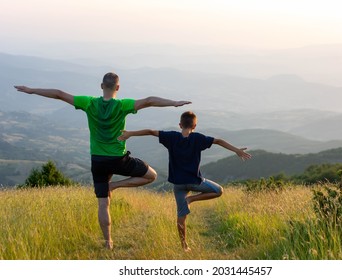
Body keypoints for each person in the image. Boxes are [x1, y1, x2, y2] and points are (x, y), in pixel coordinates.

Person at [14, 72, 191, 249]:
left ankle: (108, 242)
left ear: (101, 86)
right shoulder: (122, 105)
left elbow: (59, 94)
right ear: (118, 87)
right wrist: (174, 103)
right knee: (151, 175)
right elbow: (149, 100)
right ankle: (115, 185)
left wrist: (31, 90)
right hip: (119, 159)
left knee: (103, 203)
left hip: (98, 160)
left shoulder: (89, 102)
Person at [118, 111, 251, 252]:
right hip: (195, 182)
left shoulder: (172, 137)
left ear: (180, 124)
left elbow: (151, 131)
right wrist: (236, 150)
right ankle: (191, 199)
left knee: (181, 217)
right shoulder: (198, 139)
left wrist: (130, 133)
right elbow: (218, 141)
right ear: (195, 126)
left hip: (179, 184)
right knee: (218, 191)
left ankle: (184, 246)